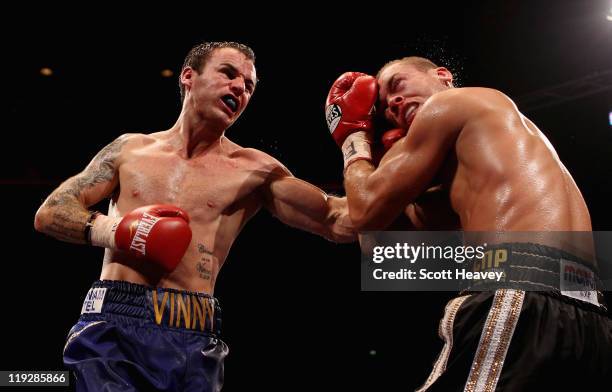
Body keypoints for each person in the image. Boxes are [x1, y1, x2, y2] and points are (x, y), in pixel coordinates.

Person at [34, 41, 355, 392]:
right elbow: (50, 212)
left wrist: (359, 144)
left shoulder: (255, 171)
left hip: (193, 332)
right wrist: (117, 231)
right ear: (189, 76)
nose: (240, 88)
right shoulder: (131, 150)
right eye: (229, 74)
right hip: (113, 324)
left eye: (248, 86)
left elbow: (336, 221)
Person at [324, 57, 612, 391]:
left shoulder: (451, 102)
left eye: (398, 85)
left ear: (443, 76)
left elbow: (365, 212)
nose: (393, 103)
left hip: (518, 293)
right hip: (591, 315)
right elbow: (383, 249)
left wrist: (355, 143)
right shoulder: (494, 153)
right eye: (386, 106)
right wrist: (392, 170)